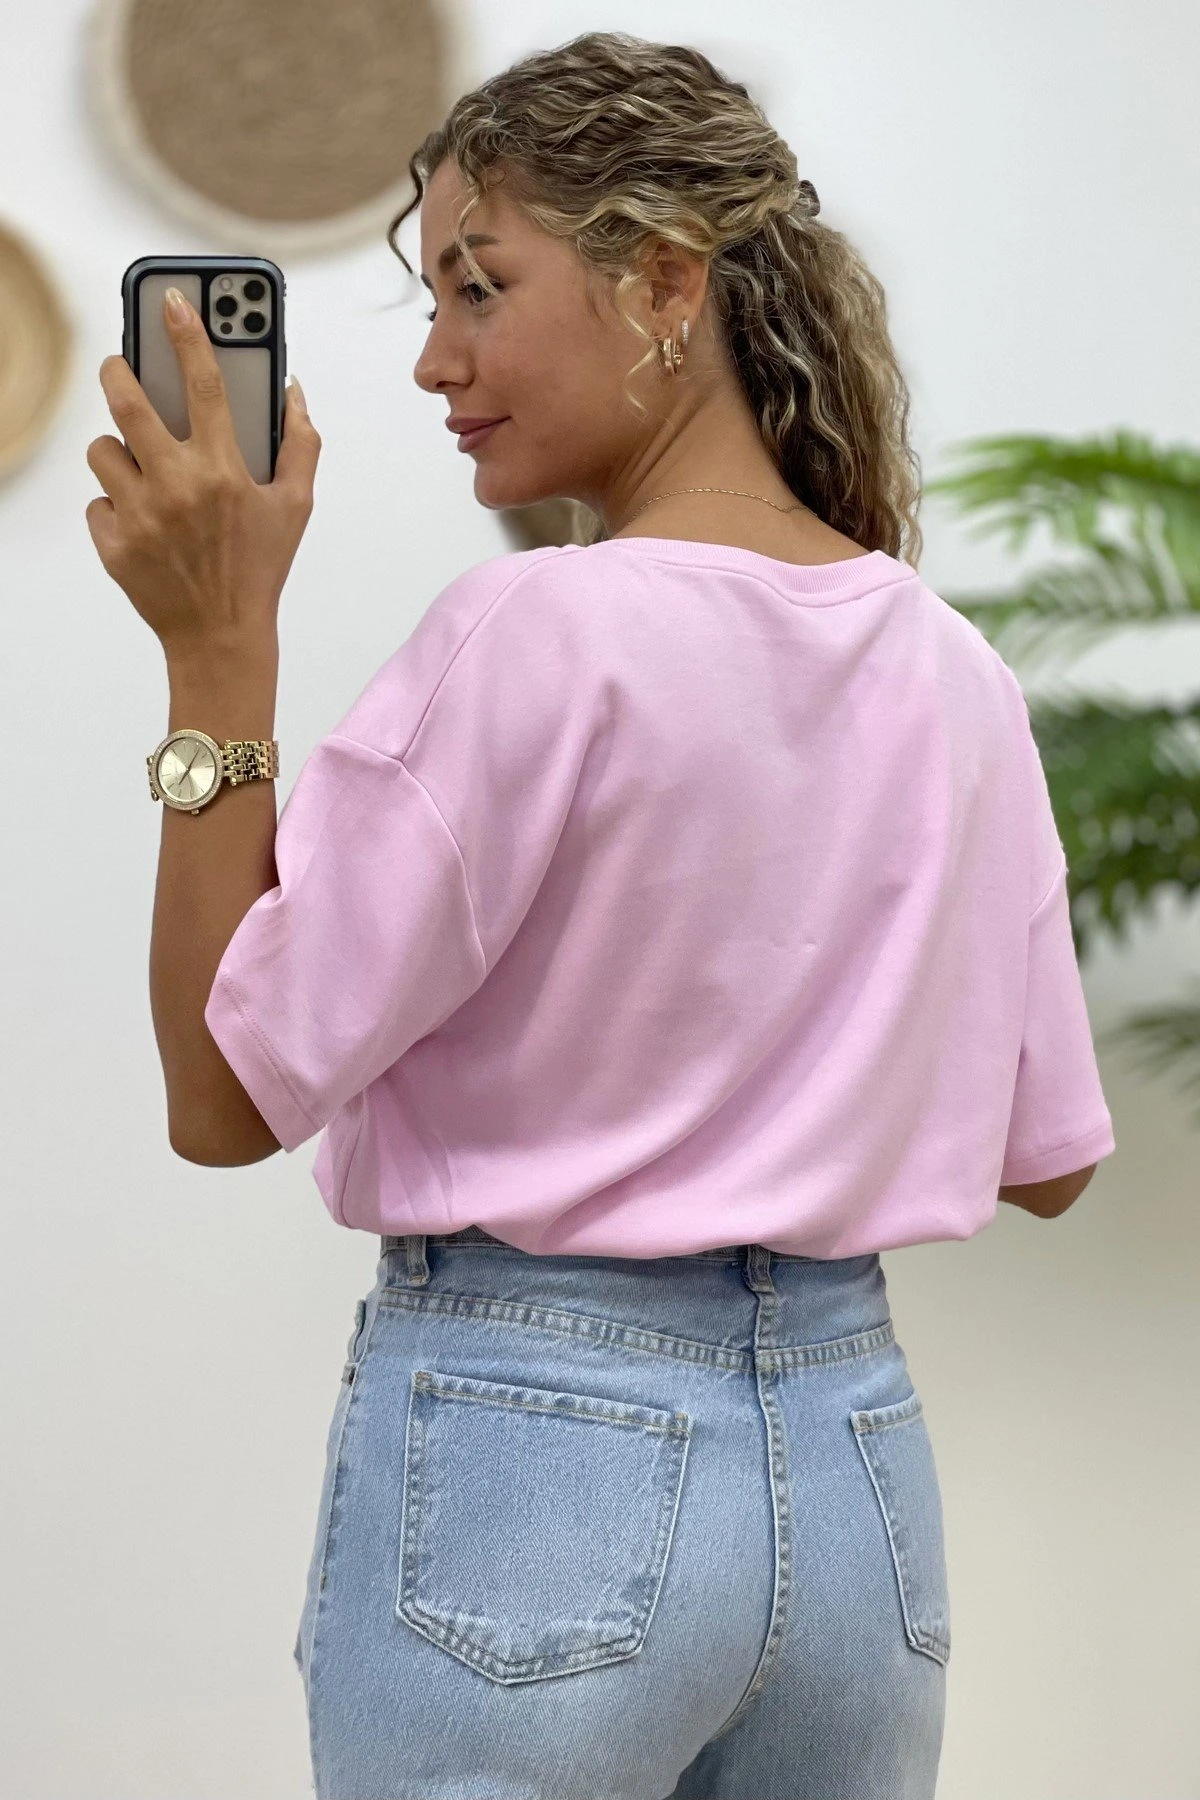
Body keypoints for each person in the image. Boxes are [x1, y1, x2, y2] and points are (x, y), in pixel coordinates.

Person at [202, 30, 1116, 1800]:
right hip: (853, 1475)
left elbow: (224, 1095)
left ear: (666, 284)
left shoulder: (533, 631)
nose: (437, 358)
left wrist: (216, 640)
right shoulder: (953, 670)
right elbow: (1051, 1161)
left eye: (480, 286)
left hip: (533, 1460)